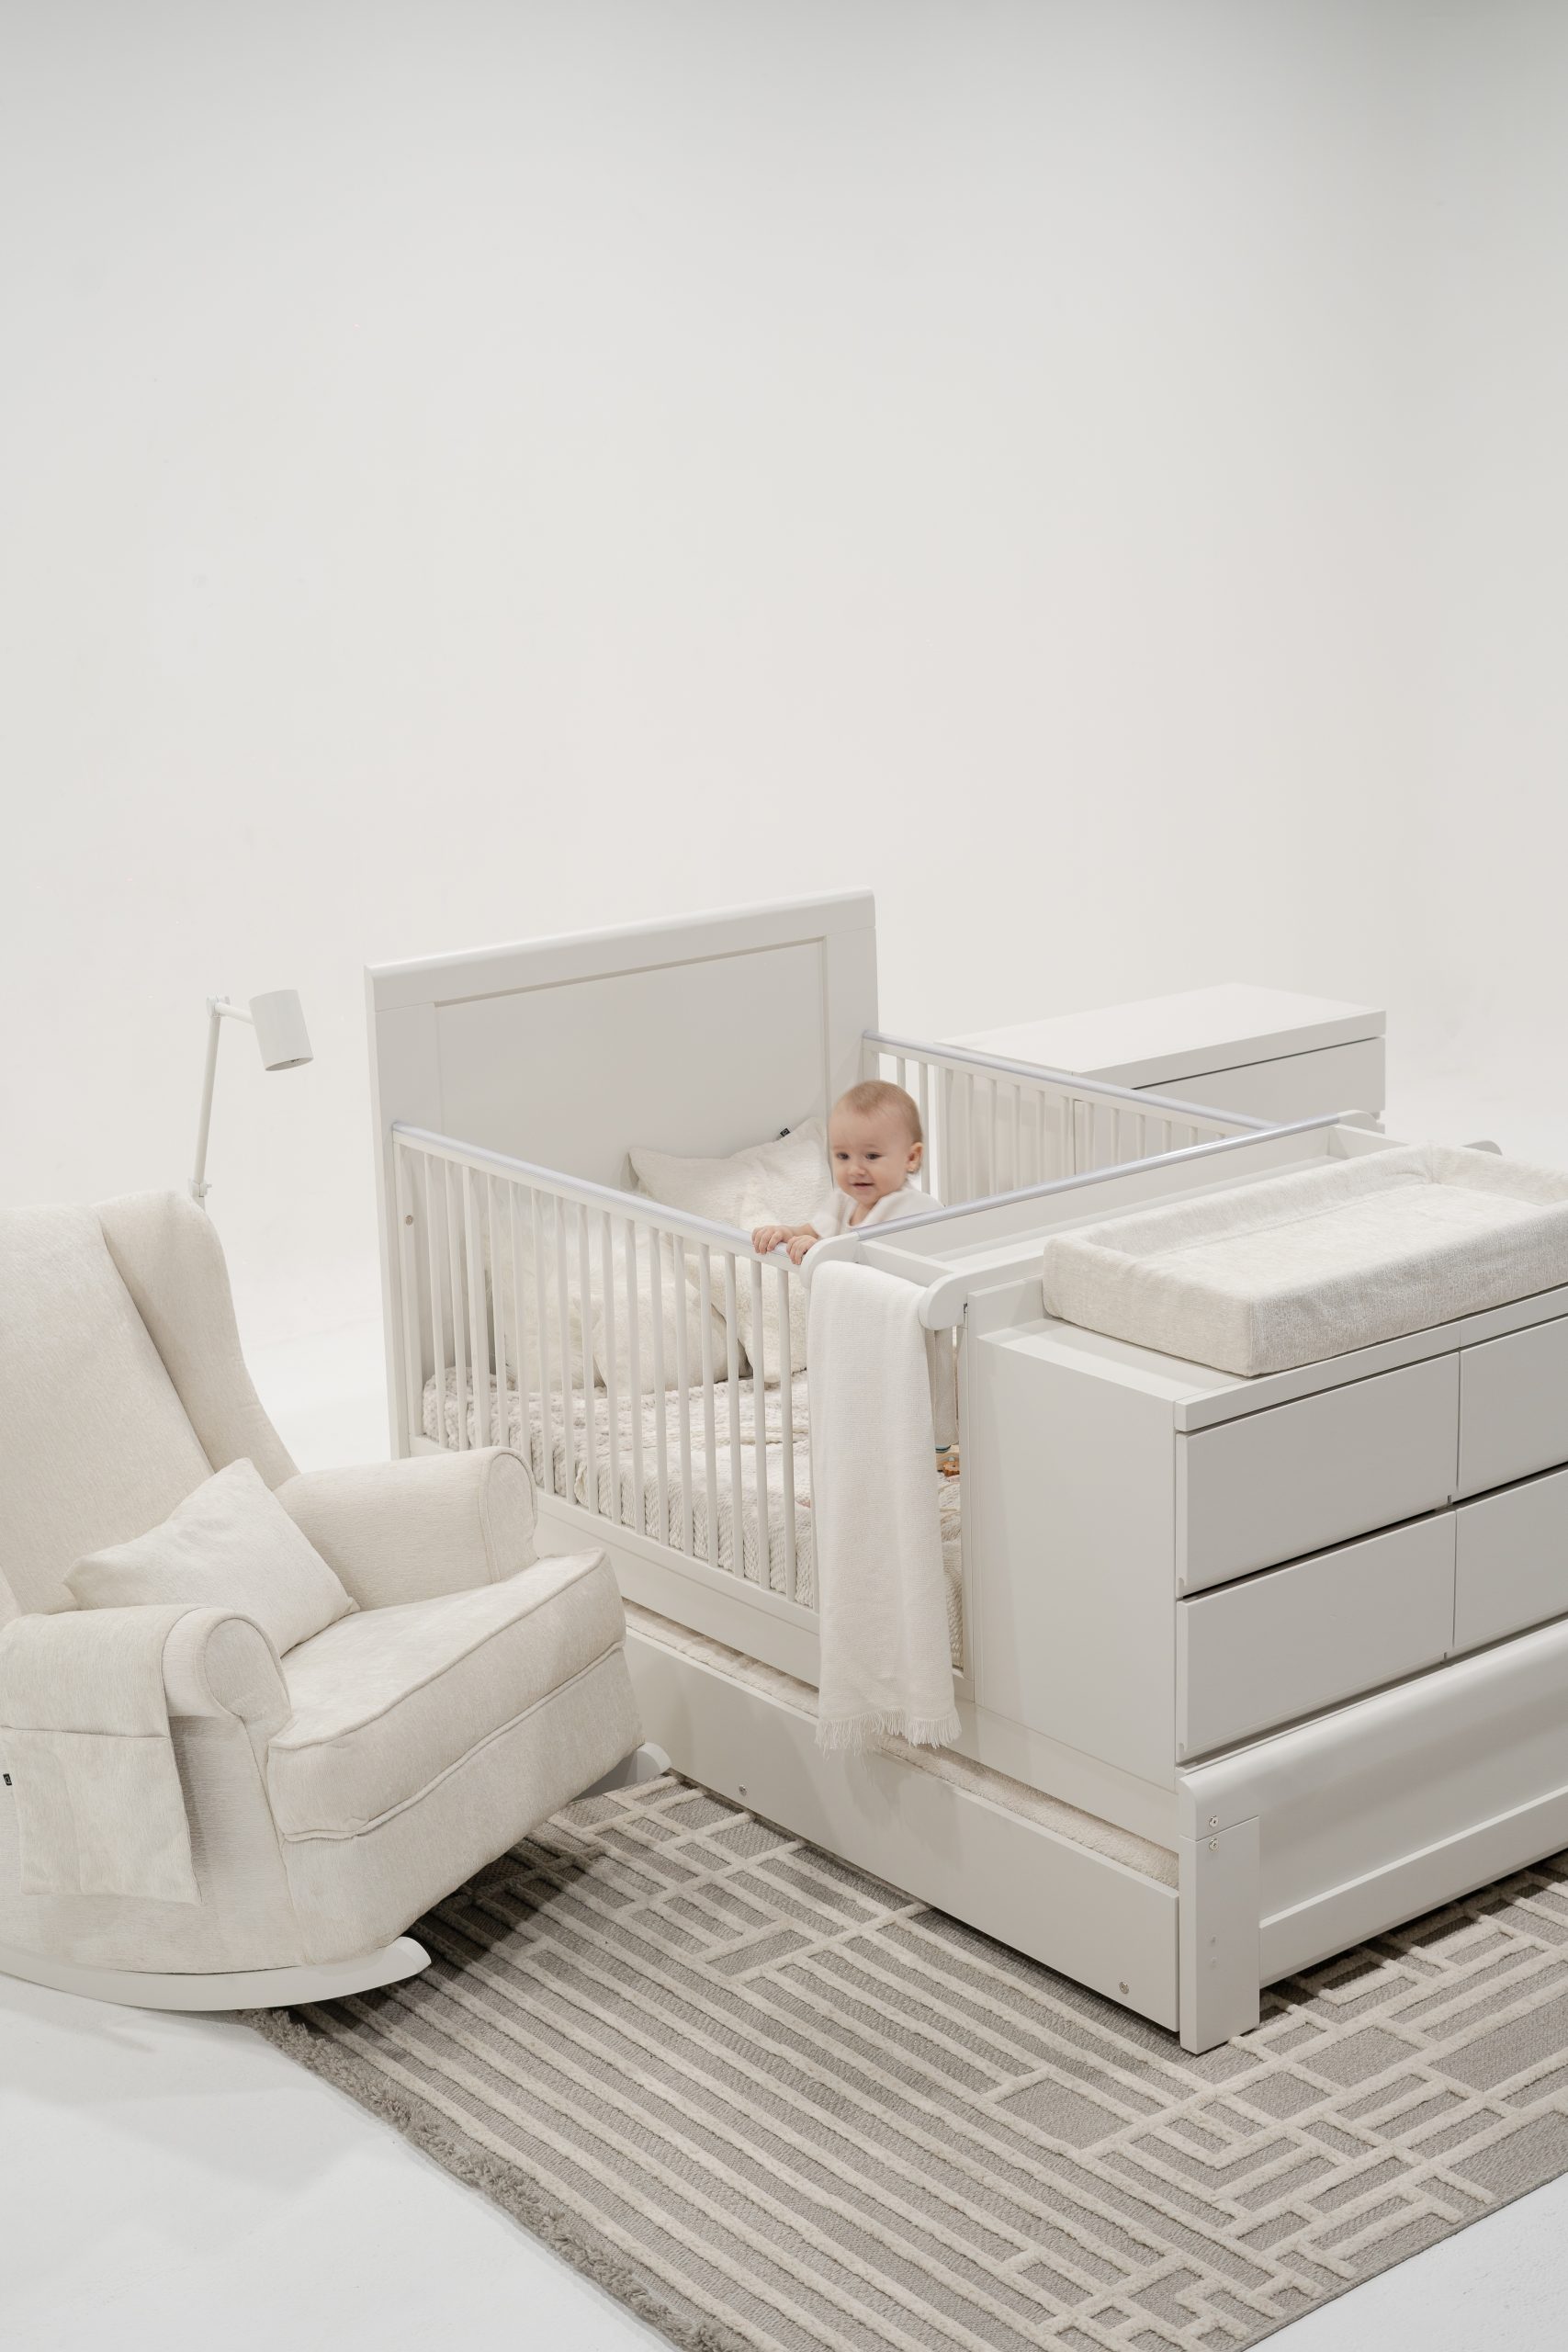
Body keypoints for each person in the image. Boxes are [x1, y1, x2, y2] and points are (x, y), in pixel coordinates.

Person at [750, 1080, 935, 1266]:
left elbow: (883, 1265)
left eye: (871, 1156)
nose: (854, 1169)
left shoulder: (913, 1209)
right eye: (843, 1156)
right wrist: (787, 1234)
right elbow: (809, 1232)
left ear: (911, 1158)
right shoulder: (842, 1201)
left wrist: (821, 1249)